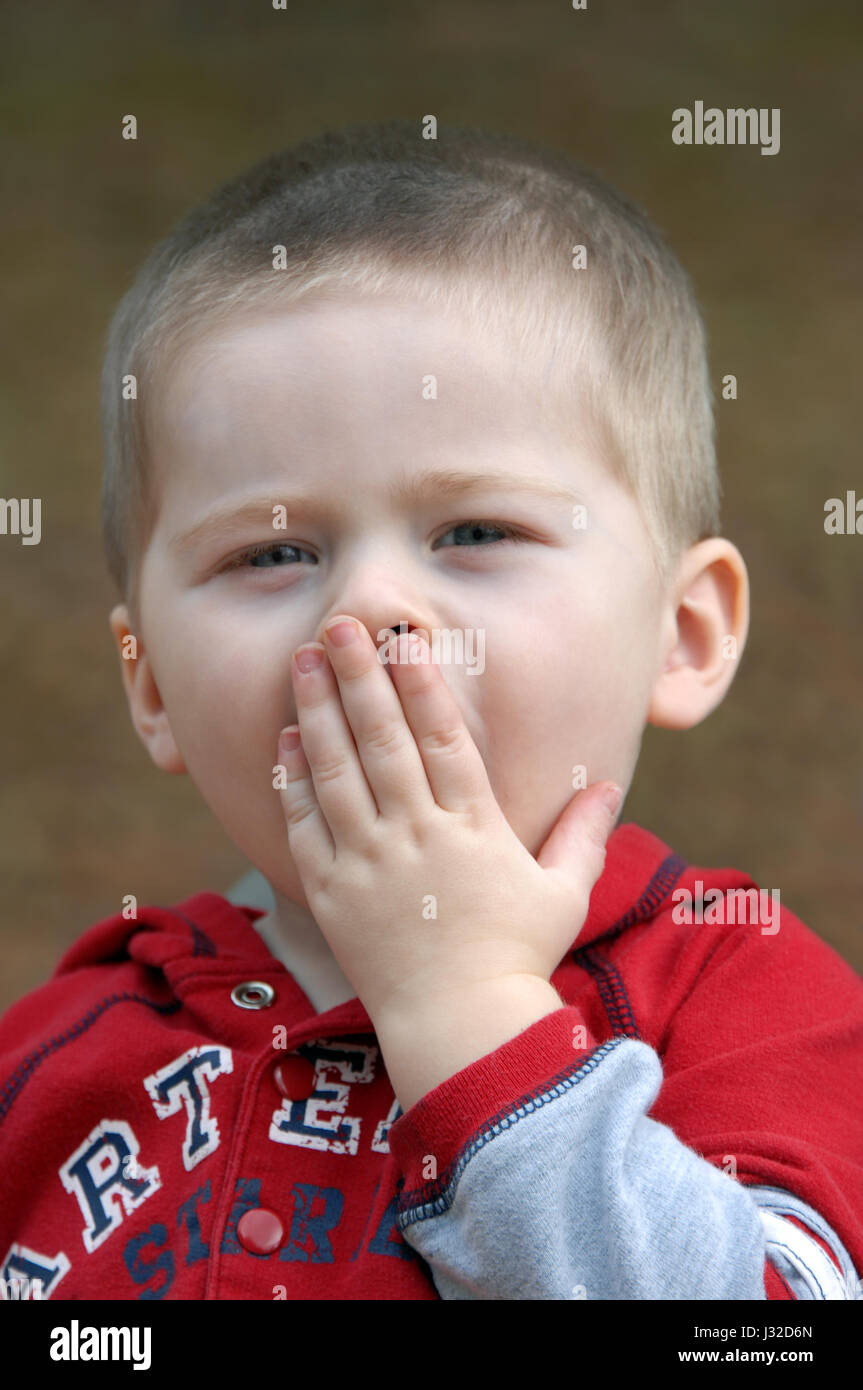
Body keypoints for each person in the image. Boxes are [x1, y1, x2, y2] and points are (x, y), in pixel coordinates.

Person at [1, 119, 860, 1301]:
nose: (367, 609)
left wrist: (467, 1011)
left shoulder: (741, 992)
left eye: (474, 530)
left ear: (682, 632)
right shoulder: (55, 1055)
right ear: (148, 681)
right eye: (271, 552)